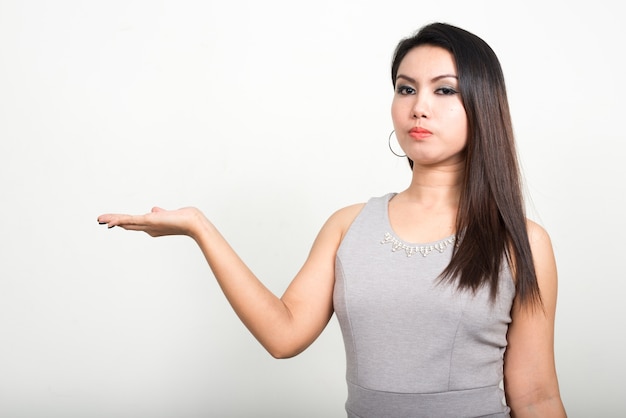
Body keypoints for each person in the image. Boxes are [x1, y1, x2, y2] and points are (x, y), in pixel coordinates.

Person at [97, 22, 566, 418]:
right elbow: (283, 335)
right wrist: (200, 227)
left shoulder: (520, 241)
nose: (418, 106)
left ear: (483, 105)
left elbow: (537, 395)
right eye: (406, 88)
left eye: (444, 90)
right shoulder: (348, 226)